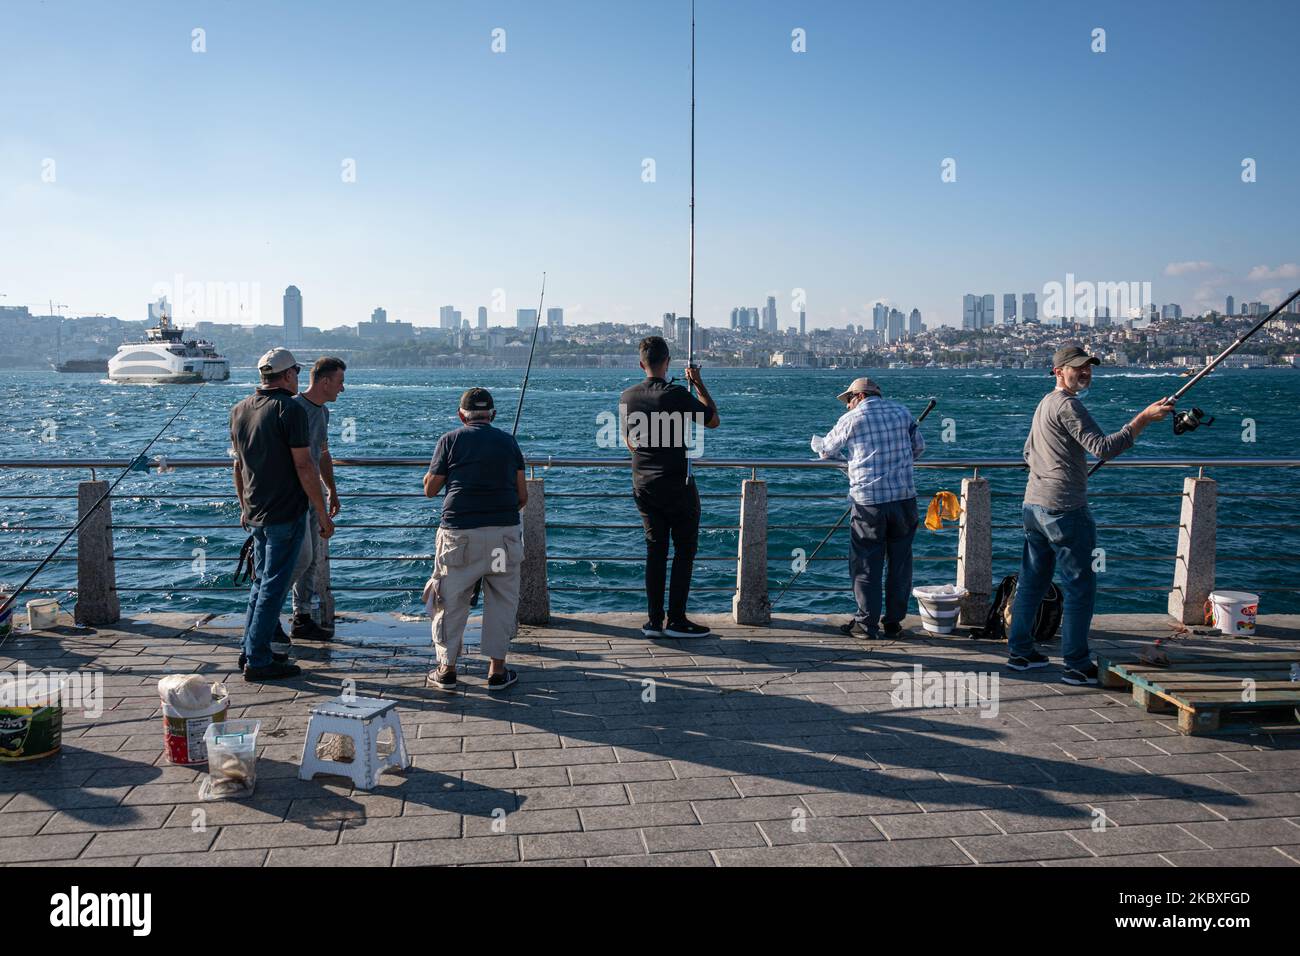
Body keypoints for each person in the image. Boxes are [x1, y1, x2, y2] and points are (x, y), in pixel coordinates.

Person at [1007, 344, 1174, 684]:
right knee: (1080, 586)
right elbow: (1103, 448)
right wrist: (1143, 419)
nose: (1085, 372)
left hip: (1034, 506)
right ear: (1058, 372)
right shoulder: (1069, 405)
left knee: (1033, 582)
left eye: (1089, 367)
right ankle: (1076, 664)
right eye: (1077, 367)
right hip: (1065, 509)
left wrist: (1055, 469)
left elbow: (1028, 452)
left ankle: (1021, 653)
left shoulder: (1044, 404)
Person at [230, 347, 335, 681]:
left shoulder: (240, 410)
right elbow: (305, 464)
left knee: (260, 584)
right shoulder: (290, 410)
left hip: (257, 511)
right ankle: (259, 660)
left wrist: (244, 505)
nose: (298, 378)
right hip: (285, 513)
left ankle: (249, 649)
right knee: (272, 588)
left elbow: (238, 465)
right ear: (288, 375)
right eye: (297, 373)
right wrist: (322, 511)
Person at [422, 388, 527, 692]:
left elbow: (431, 489)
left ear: (461, 415)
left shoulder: (450, 440)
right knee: (501, 602)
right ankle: (497, 671)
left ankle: (447, 669)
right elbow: (522, 496)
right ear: (492, 415)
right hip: (502, 536)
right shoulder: (509, 442)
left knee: (450, 601)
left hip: (459, 536)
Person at [619, 335, 720, 638]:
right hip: (676, 483)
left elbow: (629, 442)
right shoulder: (676, 394)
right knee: (685, 549)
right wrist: (698, 383)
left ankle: (653, 621)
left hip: (643, 484)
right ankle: (676, 620)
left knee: (655, 550)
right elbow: (713, 420)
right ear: (667, 362)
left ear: (641, 364)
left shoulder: (627, 397)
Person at [813, 377, 925, 640]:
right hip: (904, 500)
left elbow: (826, 450)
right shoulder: (902, 411)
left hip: (869, 503)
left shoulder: (852, 419)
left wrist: (849, 460)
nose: (848, 405)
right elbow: (918, 447)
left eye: (849, 400)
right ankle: (894, 622)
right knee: (900, 564)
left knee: (866, 565)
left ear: (860, 396)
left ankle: (866, 625)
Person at [285, 356, 346, 644]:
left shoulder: (323, 414)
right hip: (292, 497)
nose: (342, 389)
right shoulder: (293, 408)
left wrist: (331, 489)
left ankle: (302, 616)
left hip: (314, 496)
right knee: (297, 558)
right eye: (339, 382)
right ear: (324, 381)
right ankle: (269, 613)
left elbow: (321, 453)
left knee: (310, 559)